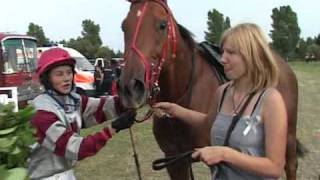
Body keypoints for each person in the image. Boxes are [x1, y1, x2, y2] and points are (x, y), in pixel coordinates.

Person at [153, 23, 287, 179]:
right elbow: (209, 123)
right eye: (223, 52)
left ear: (252, 55)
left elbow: (275, 168)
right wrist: (175, 110)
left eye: (231, 52)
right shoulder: (222, 92)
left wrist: (224, 154)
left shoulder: (271, 100)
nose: (222, 59)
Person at [28, 48, 136, 180]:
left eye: (69, 72)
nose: (66, 78)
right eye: (59, 74)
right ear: (47, 79)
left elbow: (101, 108)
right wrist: (113, 128)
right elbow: (76, 149)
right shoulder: (41, 112)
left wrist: (129, 99)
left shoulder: (72, 100)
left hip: (67, 175)